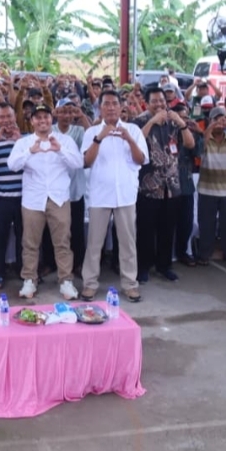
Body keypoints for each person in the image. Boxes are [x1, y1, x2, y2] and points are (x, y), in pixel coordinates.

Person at [7, 103, 85, 300]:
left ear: (52, 118)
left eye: (46, 117)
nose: (42, 121)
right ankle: (29, 280)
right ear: (31, 120)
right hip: (33, 199)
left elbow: (78, 163)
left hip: (59, 198)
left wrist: (59, 150)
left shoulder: (65, 140)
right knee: (30, 243)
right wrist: (30, 152)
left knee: (62, 242)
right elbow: (12, 165)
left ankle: (66, 281)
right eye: (38, 117)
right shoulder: (24, 143)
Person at [80, 90, 148, 303]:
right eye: (106, 104)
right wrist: (99, 139)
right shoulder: (91, 131)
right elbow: (86, 162)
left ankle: (130, 284)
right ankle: (89, 284)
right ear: (100, 108)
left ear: (121, 107)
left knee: (128, 243)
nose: (110, 107)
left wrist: (128, 140)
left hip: (126, 195)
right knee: (94, 244)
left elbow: (140, 160)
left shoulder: (133, 130)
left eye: (114, 104)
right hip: (100, 195)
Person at [133, 87, 195, 282]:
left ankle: (164, 265)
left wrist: (181, 124)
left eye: (162, 101)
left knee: (167, 229)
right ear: (147, 102)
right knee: (146, 230)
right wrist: (152, 121)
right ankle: (143, 267)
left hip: (172, 185)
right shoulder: (139, 121)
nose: (159, 104)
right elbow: (135, 143)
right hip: (149, 186)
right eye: (155, 101)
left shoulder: (174, 121)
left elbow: (190, 144)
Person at [196, 107, 226, 265]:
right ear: (210, 121)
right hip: (206, 189)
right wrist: (211, 127)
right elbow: (199, 149)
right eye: (216, 119)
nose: (219, 123)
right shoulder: (205, 138)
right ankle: (204, 254)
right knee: (206, 224)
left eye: (222, 119)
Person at [0, 102, 25, 290]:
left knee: (24, 237)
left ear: (15, 117)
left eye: (9, 116)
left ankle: (24, 272)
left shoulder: (26, 140)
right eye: (2, 117)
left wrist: (19, 141)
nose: (6, 121)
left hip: (23, 197)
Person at [55, 97, 89, 273]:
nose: (67, 115)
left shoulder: (78, 130)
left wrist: (82, 116)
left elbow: (92, 138)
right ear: (56, 113)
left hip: (75, 188)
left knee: (76, 228)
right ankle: (51, 263)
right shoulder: (51, 130)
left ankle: (78, 264)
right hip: (55, 189)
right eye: (63, 111)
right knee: (54, 229)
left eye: (70, 112)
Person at [171, 101, 204, 267]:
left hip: (186, 182)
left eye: (186, 118)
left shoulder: (191, 135)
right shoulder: (167, 133)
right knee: (168, 222)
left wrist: (198, 132)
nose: (183, 121)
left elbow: (198, 152)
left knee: (187, 221)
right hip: (168, 183)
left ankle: (183, 251)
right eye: (180, 118)